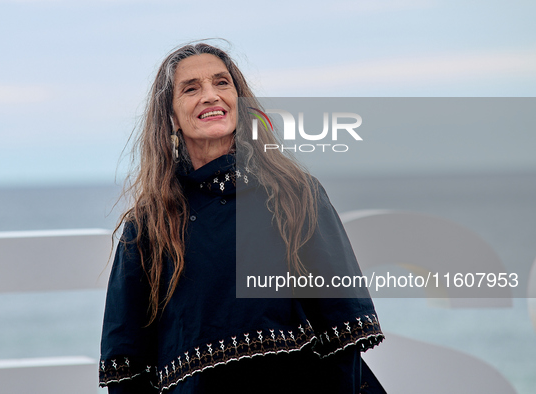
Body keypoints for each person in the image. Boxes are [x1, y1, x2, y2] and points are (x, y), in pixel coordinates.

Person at [99, 42, 385, 393]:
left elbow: (343, 331)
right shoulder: (149, 225)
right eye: (191, 88)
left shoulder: (295, 195)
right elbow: (126, 365)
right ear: (171, 116)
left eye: (222, 83)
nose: (210, 96)